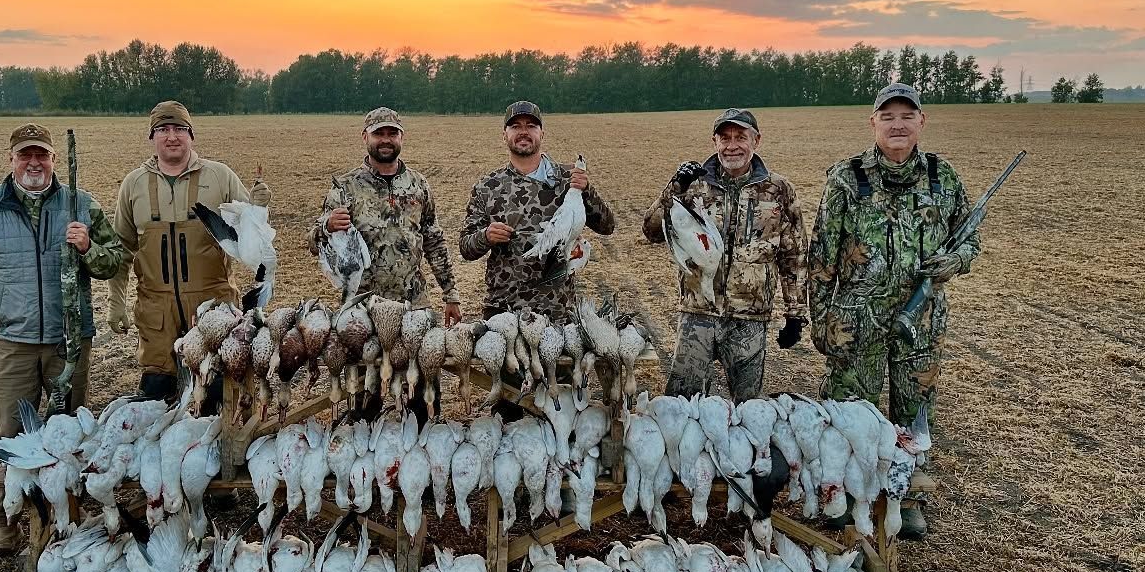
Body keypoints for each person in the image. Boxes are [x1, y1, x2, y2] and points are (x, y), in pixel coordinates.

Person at [808, 82, 980, 538]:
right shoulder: (846, 178)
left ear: (921, 122)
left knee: (914, 411)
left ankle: (906, 497)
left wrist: (955, 262)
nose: (898, 124)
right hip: (855, 320)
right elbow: (822, 255)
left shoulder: (944, 179)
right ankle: (843, 494)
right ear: (874, 123)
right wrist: (820, 320)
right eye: (888, 116)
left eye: (907, 116)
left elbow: (970, 240)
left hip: (919, 324)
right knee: (849, 413)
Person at [0, 122, 125, 556]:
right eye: (26, 155)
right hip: (12, 342)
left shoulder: (81, 204)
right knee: (9, 435)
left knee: (72, 433)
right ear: (11, 160)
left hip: (70, 341)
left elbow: (115, 261)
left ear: (51, 159)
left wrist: (89, 248)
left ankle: (70, 512)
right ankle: (5, 524)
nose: (35, 163)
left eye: (42, 155)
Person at [108, 100, 269, 405]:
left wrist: (258, 211)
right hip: (157, 313)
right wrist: (116, 302)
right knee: (157, 398)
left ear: (191, 135)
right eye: (163, 129)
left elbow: (252, 240)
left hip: (214, 310)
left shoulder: (220, 177)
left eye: (180, 129)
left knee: (219, 394)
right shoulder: (134, 184)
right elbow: (121, 249)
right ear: (152, 137)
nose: (172, 136)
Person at [642, 108, 808, 401]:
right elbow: (652, 230)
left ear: (756, 141)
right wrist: (674, 187)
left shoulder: (778, 190)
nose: (732, 145)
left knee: (747, 408)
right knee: (681, 406)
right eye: (724, 137)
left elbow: (793, 255)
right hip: (698, 314)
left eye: (740, 137)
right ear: (714, 141)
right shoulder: (694, 185)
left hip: (750, 318)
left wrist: (795, 314)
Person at [311, 106, 461, 419]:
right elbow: (314, 241)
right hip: (363, 309)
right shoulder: (345, 188)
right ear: (365, 137)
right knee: (365, 402)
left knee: (423, 399)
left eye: (392, 132)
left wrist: (451, 293)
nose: (386, 139)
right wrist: (326, 226)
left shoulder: (418, 185)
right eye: (379, 133)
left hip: (413, 307)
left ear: (401, 137)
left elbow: (433, 241)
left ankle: (423, 447)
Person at [459, 100, 615, 322]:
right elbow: (466, 248)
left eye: (531, 125)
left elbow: (607, 226)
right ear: (504, 135)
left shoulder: (568, 179)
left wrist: (586, 190)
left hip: (557, 311)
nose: (523, 132)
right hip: (504, 311)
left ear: (542, 133)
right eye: (515, 126)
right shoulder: (488, 186)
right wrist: (485, 236)